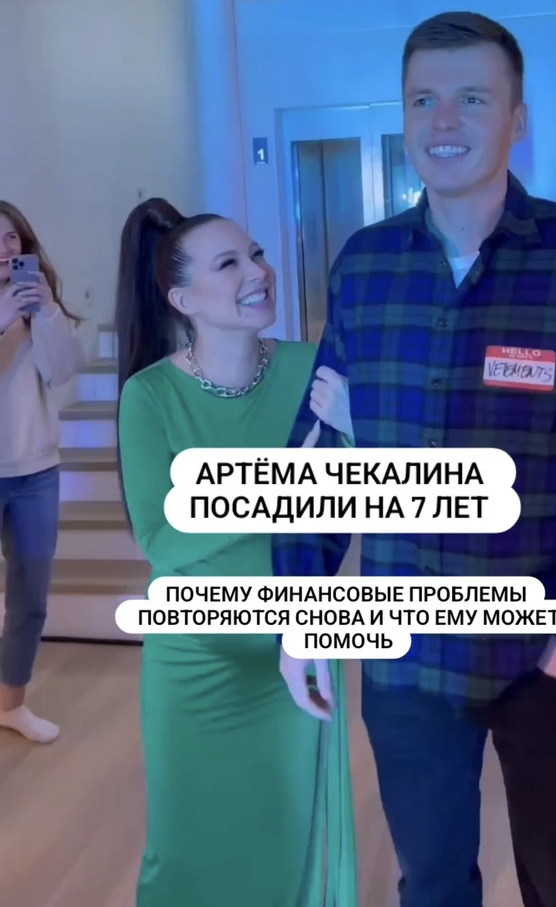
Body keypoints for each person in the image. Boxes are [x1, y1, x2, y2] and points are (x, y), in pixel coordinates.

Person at [272, 11, 556, 907]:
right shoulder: (365, 267)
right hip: (404, 657)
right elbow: (319, 451)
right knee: (430, 883)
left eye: (472, 98)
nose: (444, 121)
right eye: (424, 100)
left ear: (517, 118)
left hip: (544, 653)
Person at [115, 198, 358, 907]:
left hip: (301, 641)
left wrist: (358, 432)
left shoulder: (313, 370)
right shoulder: (149, 396)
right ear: (183, 300)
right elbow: (161, 535)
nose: (258, 271)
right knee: (186, 847)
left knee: (293, 841)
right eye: (229, 263)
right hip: (196, 658)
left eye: (256, 254)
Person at [0, 200, 84, 743]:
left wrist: (47, 313)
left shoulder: (37, 305)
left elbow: (64, 371)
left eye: (11, 238)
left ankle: (11, 703)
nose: (4, 248)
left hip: (35, 471)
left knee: (29, 599)